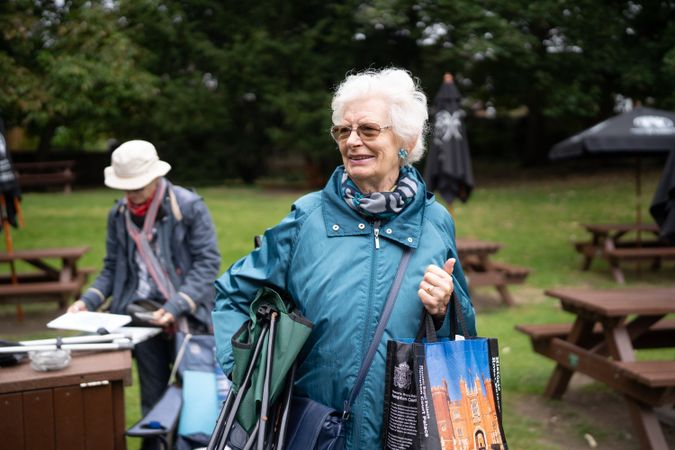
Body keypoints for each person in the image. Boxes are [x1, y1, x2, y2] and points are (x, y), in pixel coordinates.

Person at [212, 68, 476, 449]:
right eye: (342, 131)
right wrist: (250, 377)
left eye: (368, 130)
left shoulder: (435, 223)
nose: (353, 141)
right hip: (313, 432)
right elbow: (232, 294)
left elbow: (462, 335)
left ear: (406, 139)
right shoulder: (307, 217)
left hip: (402, 433)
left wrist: (444, 306)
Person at [68, 140, 221, 439]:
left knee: (196, 399)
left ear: (155, 177)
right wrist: (87, 301)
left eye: (137, 185)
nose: (131, 193)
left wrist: (175, 307)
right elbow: (112, 268)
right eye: (125, 186)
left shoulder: (188, 206)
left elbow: (207, 264)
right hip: (140, 319)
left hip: (188, 317)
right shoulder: (118, 215)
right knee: (153, 402)